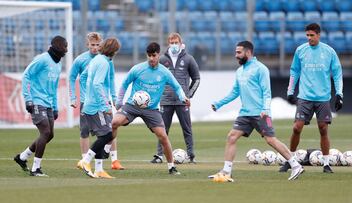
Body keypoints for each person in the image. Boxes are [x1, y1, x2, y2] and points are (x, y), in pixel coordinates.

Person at [208, 41, 304, 182]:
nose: (236, 55)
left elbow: (267, 92)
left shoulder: (261, 69)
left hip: (260, 113)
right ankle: (226, 171)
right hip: (245, 113)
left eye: (239, 52)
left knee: (270, 140)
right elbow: (235, 92)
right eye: (235, 52)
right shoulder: (240, 71)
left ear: (248, 52)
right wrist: (219, 103)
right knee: (231, 137)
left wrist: (265, 108)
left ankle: (296, 166)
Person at [112, 42, 190, 175]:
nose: (151, 59)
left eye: (154, 55)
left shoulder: (164, 72)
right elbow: (125, 84)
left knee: (163, 136)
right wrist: (119, 101)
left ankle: (171, 167)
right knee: (114, 123)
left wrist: (183, 98)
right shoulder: (137, 69)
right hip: (132, 105)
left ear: (158, 55)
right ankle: (113, 157)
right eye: (149, 56)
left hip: (152, 110)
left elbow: (177, 86)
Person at [279, 23, 343, 174]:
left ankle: (326, 164)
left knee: (323, 129)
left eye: (312, 35)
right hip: (304, 97)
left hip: (323, 98)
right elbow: (294, 71)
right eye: (307, 35)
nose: (309, 38)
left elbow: (337, 74)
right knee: (296, 128)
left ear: (319, 35)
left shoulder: (329, 52)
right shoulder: (300, 50)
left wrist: (339, 94)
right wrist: (290, 91)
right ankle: (291, 161)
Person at [69, 32, 124, 170]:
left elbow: (110, 79)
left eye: (97, 45)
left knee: (108, 130)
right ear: (88, 45)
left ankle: (112, 161)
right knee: (90, 132)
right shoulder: (83, 60)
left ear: (102, 45)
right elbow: (75, 78)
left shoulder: (104, 61)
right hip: (94, 102)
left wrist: (113, 97)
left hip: (100, 99)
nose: (95, 47)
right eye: (92, 45)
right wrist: (74, 97)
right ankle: (86, 160)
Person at [14, 36, 68, 177]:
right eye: (64, 46)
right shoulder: (42, 59)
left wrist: (55, 106)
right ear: (56, 46)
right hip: (37, 101)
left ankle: (22, 157)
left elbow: (54, 87)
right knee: (45, 132)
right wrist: (28, 99)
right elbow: (26, 75)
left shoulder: (58, 64)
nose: (66, 50)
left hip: (49, 104)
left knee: (50, 135)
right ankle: (35, 169)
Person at [151, 33, 200, 164]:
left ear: (180, 43)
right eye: (171, 43)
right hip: (165, 100)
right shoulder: (161, 60)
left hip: (182, 101)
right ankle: (159, 155)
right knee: (162, 129)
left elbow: (196, 79)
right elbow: (155, 78)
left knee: (187, 128)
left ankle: (191, 155)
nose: (173, 45)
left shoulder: (189, 59)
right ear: (168, 44)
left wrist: (188, 95)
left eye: (176, 42)